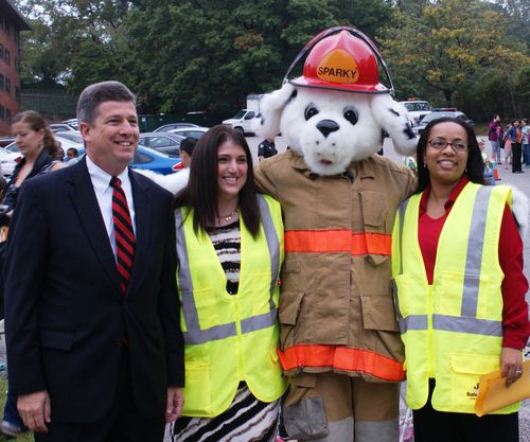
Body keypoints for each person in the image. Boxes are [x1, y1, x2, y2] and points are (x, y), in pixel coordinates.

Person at [3, 81, 184, 441]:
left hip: (142, 390)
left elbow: (164, 297)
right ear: (85, 131)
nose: (128, 130)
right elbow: (21, 297)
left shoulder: (156, 199)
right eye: (114, 121)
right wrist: (27, 385)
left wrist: (173, 376)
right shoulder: (45, 196)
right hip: (70, 390)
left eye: (133, 121)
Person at [392, 117, 530, 442]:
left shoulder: (492, 204)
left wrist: (514, 344)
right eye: (438, 143)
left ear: (470, 154)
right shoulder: (405, 211)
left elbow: (514, 281)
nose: (448, 151)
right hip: (428, 373)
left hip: (483, 370)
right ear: (423, 153)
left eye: (458, 145)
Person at [171, 125, 286, 441]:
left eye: (241, 160)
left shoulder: (270, 213)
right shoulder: (176, 221)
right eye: (223, 160)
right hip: (202, 387)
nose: (233, 169)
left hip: (259, 383)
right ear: (206, 164)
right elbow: (163, 308)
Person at [0, 110, 64, 437]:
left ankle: (17, 404)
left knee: (24, 322)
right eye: (16, 134)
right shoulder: (19, 169)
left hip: (34, 260)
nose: (18, 140)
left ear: (41, 133)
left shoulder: (53, 170)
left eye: (23, 134)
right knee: (14, 322)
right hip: (9, 254)